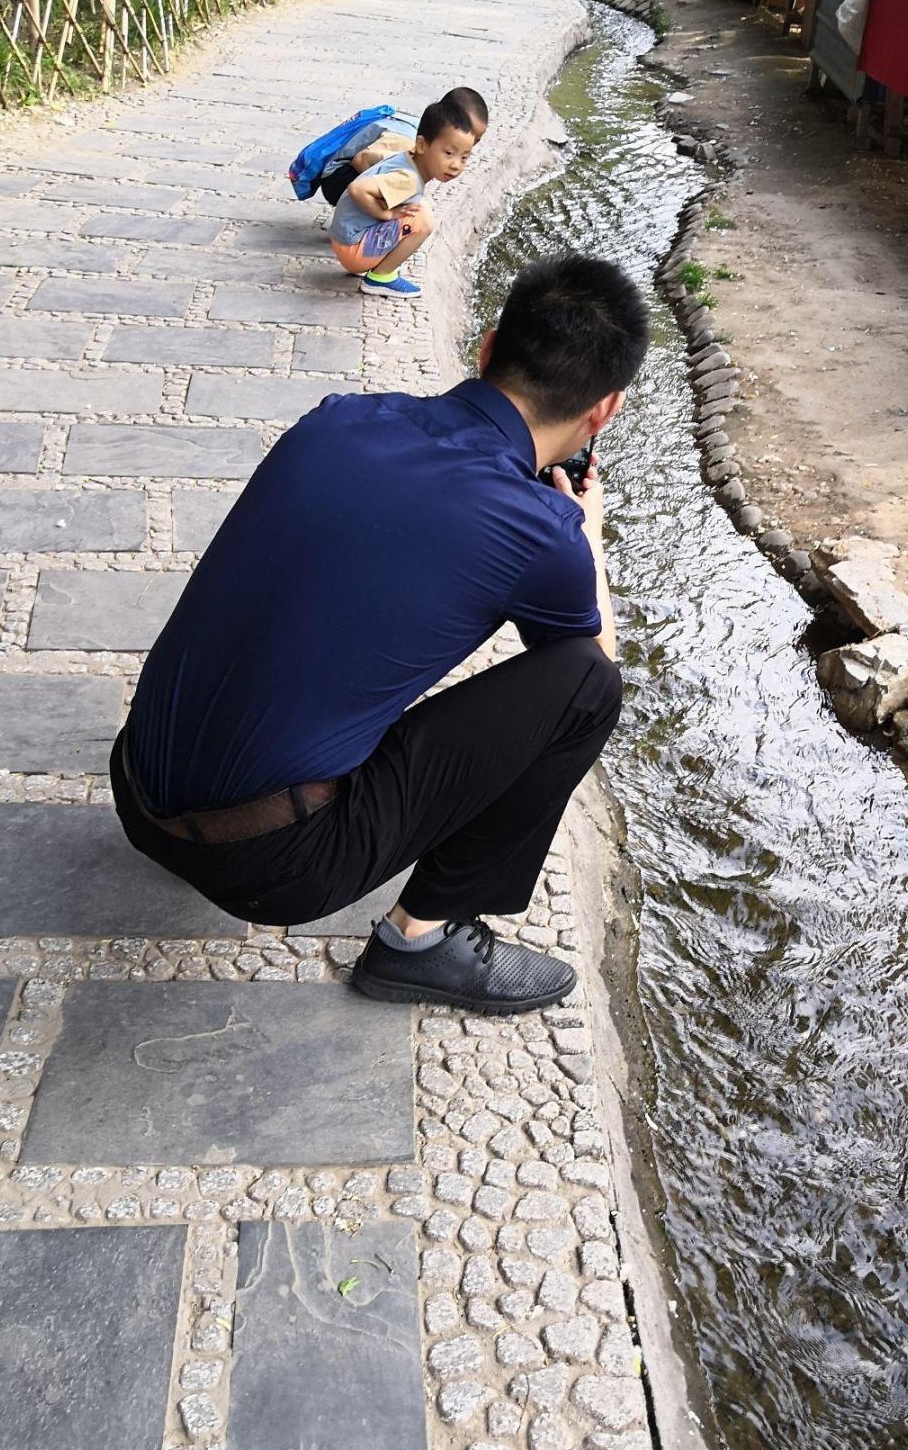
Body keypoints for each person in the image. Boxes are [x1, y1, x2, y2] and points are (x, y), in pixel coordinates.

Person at [112, 255, 649, 1016]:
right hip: (271, 868)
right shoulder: (544, 532)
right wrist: (585, 537)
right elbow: (591, 661)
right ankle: (420, 942)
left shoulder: (338, 418)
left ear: (488, 347)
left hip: (134, 790)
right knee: (588, 689)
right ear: (605, 412)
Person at [327, 98, 476, 299]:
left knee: (415, 208)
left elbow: (365, 167)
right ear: (422, 145)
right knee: (422, 219)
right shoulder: (409, 179)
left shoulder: (406, 158)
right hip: (352, 248)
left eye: (464, 157)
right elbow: (357, 188)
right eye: (449, 153)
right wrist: (386, 214)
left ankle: (376, 265)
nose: (456, 165)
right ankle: (380, 277)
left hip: (343, 239)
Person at [314, 87, 488, 233]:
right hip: (337, 178)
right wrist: (386, 203)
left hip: (350, 175)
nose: (469, 142)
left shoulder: (430, 132)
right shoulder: (406, 141)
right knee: (409, 204)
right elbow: (361, 160)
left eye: (476, 141)